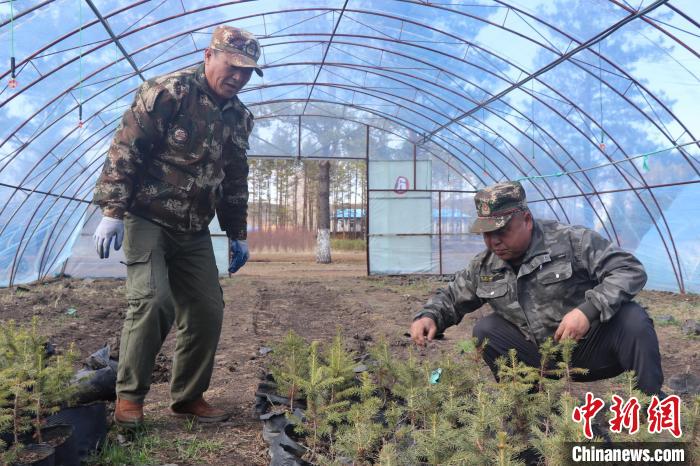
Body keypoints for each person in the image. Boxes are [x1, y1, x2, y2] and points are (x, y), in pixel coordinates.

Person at [91, 25, 262, 428]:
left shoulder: (238, 117)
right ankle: (129, 398)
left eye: (247, 71)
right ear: (209, 56)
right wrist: (112, 212)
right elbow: (126, 148)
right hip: (148, 218)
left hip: (193, 228)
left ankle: (188, 396)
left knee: (207, 308)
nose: (238, 77)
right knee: (152, 301)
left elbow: (235, 177)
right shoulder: (168, 92)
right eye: (232, 66)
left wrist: (238, 233)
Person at [409, 181, 664, 395]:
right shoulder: (484, 266)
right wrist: (429, 316)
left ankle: (649, 407)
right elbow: (453, 295)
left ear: (527, 220)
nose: (494, 241)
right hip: (539, 357)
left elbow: (629, 269)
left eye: (502, 230)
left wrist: (588, 310)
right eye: (486, 233)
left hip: (594, 350)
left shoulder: (571, 241)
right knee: (486, 329)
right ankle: (526, 409)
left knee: (633, 319)